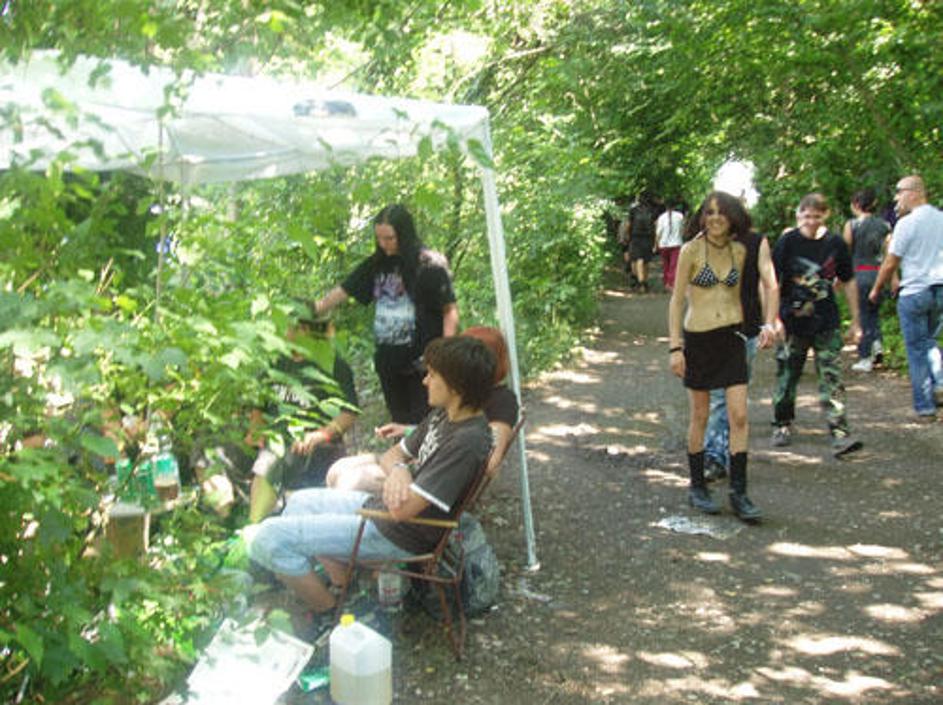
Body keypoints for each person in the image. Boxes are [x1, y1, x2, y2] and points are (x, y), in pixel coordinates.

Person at [247, 336, 495, 616]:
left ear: (456, 386)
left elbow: (403, 511)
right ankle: (343, 584)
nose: (425, 381)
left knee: (269, 538)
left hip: (400, 534)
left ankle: (330, 613)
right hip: (384, 511)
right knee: (299, 503)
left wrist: (397, 477)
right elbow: (392, 455)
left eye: (433, 375)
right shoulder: (445, 415)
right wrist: (399, 472)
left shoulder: (466, 442)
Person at [325, 326, 520, 492]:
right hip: (417, 460)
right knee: (338, 468)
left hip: (429, 478)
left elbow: (489, 458)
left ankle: (351, 519)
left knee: (351, 480)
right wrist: (408, 430)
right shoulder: (459, 396)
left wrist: (438, 464)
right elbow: (444, 433)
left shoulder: (501, 400)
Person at [313, 204, 459, 424]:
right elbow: (342, 291)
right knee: (399, 425)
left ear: (404, 234)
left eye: (389, 238)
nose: (383, 244)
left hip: (424, 365)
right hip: (389, 364)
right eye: (379, 238)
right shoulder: (376, 264)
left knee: (426, 425)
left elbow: (450, 310)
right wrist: (307, 311)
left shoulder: (429, 264)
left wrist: (445, 354)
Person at [668, 191, 761, 522]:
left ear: (733, 216)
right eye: (709, 212)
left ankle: (739, 492)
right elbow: (677, 301)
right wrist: (675, 347)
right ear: (702, 217)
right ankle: (697, 487)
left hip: (732, 340)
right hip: (699, 341)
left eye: (722, 212)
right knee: (701, 415)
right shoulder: (690, 251)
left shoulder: (740, 251)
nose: (715, 218)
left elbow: (738, 296)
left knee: (739, 416)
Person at [771, 192, 862, 456]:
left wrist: (856, 320)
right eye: (807, 216)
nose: (811, 221)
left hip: (826, 321)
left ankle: (840, 432)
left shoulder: (835, 243)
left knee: (832, 377)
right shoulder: (787, 242)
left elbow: (849, 280)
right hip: (792, 321)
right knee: (787, 375)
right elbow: (771, 281)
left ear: (826, 215)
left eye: (817, 216)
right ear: (798, 215)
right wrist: (773, 318)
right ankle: (782, 423)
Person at [246, 310, 359, 523]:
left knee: (274, 452)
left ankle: (253, 525)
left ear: (304, 330)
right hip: (272, 432)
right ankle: (218, 519)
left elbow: (349, 413)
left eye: (287, 326)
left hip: (308, 439)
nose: (281, 331)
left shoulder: (333, 365)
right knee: (216, 443)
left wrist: (321, 434)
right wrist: (255, 428)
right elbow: (257, 404)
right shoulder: (275, 361)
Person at [702, 214, 782, 482]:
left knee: (734, 397)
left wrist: (769, 323)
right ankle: (715, 456)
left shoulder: (757, 242)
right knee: (717, 396)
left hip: (745, 329)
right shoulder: (704, 240)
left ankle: (729, 454)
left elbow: (770, 284)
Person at [869, 175, 943, 420]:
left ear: (914, 192)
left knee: (916, 350)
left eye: (899, 192)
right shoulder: (941, 218)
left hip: (914, 292)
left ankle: (924, 405)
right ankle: (939, 382)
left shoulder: (906, 224)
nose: (896, 197)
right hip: (940, 289)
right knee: (929, 341)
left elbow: (891, 261)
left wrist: (876, 288)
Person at [843, 188, 892, 372]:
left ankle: (865, 357)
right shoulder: (884, 225)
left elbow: (844, 250)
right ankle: (876, 343)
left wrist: (840, 275)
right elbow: (889, 253)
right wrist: (892, 278)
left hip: (859, 274)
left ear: (856, 204)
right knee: (873, 312)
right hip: (878, 273)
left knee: (862, 314)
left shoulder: (852, 225)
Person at [622, 197, 658, 292]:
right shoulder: (652, 211)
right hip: (648, 238)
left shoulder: (633, 210)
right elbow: (655, 226)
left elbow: (628, 224)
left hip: (635, 237)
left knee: (637, 259)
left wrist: (626, 236)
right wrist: (655, 241)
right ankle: (644, 281)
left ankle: (640, 282)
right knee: (646, 261)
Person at [655, 201, 685, 291]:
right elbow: (682, 230)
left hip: (663, 244)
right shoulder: (680, 216)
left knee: (665, 264)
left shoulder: (661, 217)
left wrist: (656, 244)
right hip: (676, 243)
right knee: (674, 265)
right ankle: (671, 283)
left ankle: (666, 282)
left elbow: (658, 233)